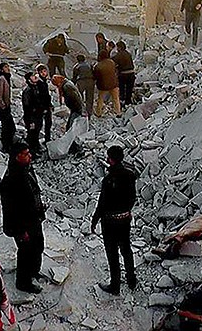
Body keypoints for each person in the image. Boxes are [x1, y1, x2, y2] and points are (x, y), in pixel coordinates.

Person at [0, 141, 46, 294]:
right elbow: (11, 209)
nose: (30, 156)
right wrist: (20, 231)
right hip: (22, 225)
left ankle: (33, 272)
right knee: (26, 252)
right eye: (26, 154)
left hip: (33, 219)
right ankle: (23, 282)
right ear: (18, 156)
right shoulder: (11, 179)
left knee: (38, 247)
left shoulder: (25, 169)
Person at [91, 145, 137, 295]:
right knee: (126, 250)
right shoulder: (130, 175)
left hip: (110, 222)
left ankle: (115, 285)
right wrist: (126, 210)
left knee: (112, 253)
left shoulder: (108, 179)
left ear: (110, 159)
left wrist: (94, 220)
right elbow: (132, 198)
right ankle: (131, 280)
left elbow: (102, 203)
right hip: (124, 219)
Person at [0, 62, 15, 153]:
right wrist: (3, 107)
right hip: (3, 108)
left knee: (10, 127)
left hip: (6, 107)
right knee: (7, 128)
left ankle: (9, 145)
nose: (8, 68)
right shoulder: (1, 79)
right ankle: (6, 146)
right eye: (6, 67)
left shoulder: (6, 78)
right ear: (2, 69)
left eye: (8, 66)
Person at [93, 49, 121, 117]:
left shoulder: (98, 66)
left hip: (103, 86)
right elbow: (115, 71)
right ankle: (118, 112)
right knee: (116, 99)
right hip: (114, 84)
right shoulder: (112, 62)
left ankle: (98, 113)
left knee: (100, 99)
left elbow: (96, 76)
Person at [22, 72, 43, 156]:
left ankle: (36, 148)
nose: (35, 77)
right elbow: (27, 107)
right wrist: (30, 120)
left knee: (36, 132)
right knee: (32, 134)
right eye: (32, 76)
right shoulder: (28, 91)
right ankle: (32, 152)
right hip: (31, 116)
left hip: (37, 115)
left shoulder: (35, 88)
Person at [112, 41, 136, 105]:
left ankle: (122, 102)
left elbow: (112, 61)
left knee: (122, 89)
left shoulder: (119, 55)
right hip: (131, 74)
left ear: (119, 47)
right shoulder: (128, 54)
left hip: (124, 74)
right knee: (129, 90)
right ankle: (128, 103)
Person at [35, 64, 53, 144]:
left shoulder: (43, 81)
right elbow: (41, 96)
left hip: (46, 106)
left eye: (44, 71)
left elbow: (46, 96)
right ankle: (36, 141)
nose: (43, 73)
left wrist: (50, 104)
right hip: (42, 107)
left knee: (48, 124)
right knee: (39, 124)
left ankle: (47, 139)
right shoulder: (39, 83)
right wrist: (44, 107)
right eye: (41, 72)